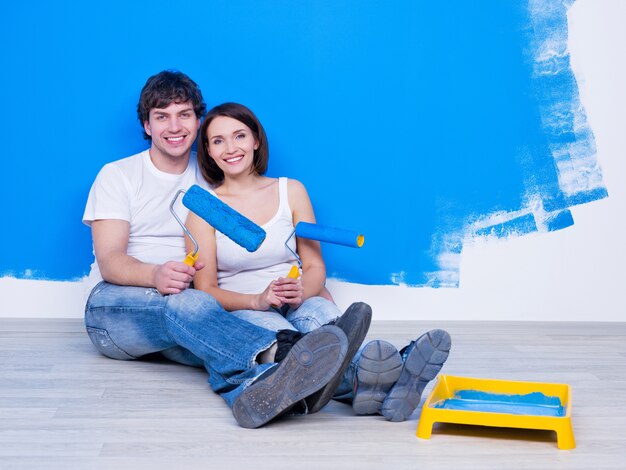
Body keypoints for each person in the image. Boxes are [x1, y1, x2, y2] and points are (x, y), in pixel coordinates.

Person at [81, 70, 371, 429]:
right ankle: (297, 353)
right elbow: (110, 261)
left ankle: (263, 392)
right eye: (161, 117)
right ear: (146, 126)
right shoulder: (118, 175)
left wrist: (312, 288)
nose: (174, 126)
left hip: (200, 317)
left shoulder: (215, 174)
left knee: (213, 336)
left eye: (184, 114)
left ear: (198, 123)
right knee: (194, 305)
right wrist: (154, 273)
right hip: (122, 307)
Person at [187, 102, 452, 421]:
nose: (230, 148)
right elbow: (206, 289)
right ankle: (388, 378)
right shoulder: (205, 208)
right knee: (294, 349)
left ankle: (372, 381)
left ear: (256, 140)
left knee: (328, 326)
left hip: (299, 294)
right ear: (208, 151)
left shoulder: (291, 191)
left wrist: (303, 291)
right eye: (218, 141)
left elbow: (314, 266)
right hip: (247, 306)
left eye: (239, 136)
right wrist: (257, 300)